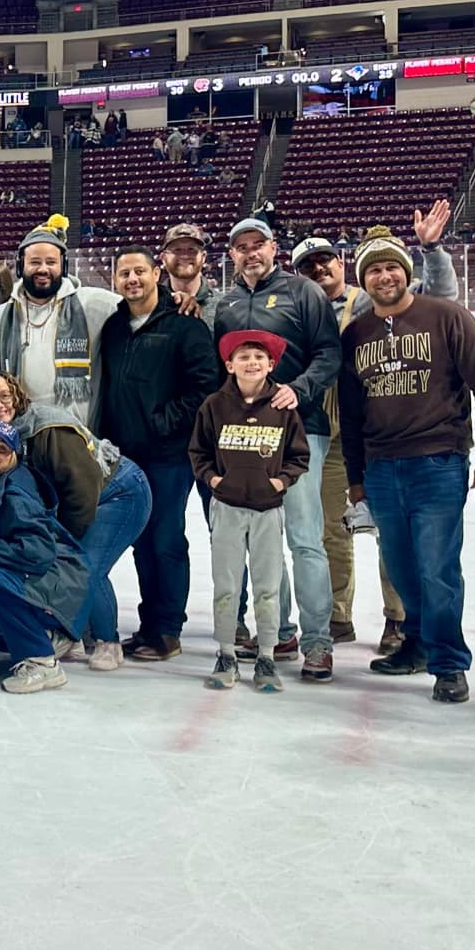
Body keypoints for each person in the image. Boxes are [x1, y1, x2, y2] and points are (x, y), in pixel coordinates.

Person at [338, 228, 475, 705]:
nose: (384, 275)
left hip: (438, 461)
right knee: (403, 567)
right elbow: (351, 414)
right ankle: (414, 641)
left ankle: (449, 662)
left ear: (406, 273)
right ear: (364, 280)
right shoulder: (358, 333)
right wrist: (355, 480)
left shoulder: (446, 316)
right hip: (380, 468)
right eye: (373, 269)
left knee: (437, 567)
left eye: (391, 266)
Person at [290, 206, 459, 655]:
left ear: (341, 263)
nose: (318, 269)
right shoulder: (297, 312)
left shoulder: (370, 302)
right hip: (323, 438)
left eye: (324, 260)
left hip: (377, 437)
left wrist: (432, 250)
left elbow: (441, 294)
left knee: (392, 532)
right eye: (307, 266)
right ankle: (337, 615)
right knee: (330, 532)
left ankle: (399, 620)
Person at [211, 216, 340, 680]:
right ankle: (280, 630)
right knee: (261, 538)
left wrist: (300, 388)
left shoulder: (303, 292)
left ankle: (318, 642)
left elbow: (329, 353)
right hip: (245, 437)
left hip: (300, 428)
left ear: (273, 248)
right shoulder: (225, 302)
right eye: (241, 246)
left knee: (304, 538)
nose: (251, 253)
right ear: (231, 255)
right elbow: (218, 370)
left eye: (258, 244)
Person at [0, 368, 148, 670]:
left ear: (16, 394)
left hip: (119, 492)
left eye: (3, 395)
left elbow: (82, 491)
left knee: (84, 566)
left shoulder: (47, 428)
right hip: (82, 498)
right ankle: (75, 634)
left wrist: (62, 544)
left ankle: (108, 641)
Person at [96, 245, 222, 662]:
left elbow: (204, 387)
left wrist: (163, 421)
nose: (131, 279)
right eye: (123, 273)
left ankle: (168, 628)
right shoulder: (114, 326)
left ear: (156, 273)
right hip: (127, 455)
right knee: (141, 540)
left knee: (165, 537)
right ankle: (150, 623)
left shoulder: (185, 324)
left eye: (138, 271)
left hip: (169, 453)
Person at [190, 330, 313, 692]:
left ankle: (266, 657)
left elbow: (299, 455)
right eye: (244, 357)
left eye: (259, 357)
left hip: (266, 509)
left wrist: (280, 482)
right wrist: (214, 481)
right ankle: (226, 653)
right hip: (226, 507)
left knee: (267, 587)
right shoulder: (214, 405)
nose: (252, 362)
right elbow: (198, 452)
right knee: (227, 585)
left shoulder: (281, 406)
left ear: (271, 365)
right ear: (229, 365)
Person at [0, 421, 89, 693]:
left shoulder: (15, 493)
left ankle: (41, 661)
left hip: (59, 585)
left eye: (1, 449)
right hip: (51, 581)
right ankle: (52, 638)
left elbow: (38, 549)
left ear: (15, 454)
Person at [0, 215, 119, 426]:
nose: (43, 269)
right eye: (35, 262)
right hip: (20, 434)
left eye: (51, 262)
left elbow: (141, 306)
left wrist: (178, 296)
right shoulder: (0, 316)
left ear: (64, 266)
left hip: (79, 436)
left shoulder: (92, 304)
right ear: (21, 267)